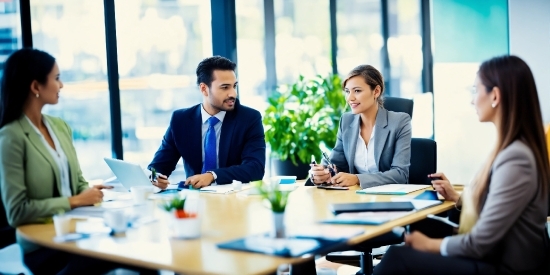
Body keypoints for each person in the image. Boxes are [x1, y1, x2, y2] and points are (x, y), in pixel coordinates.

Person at [374, 55, 550, 275]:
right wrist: (458, 198)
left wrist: (428, 245)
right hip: (495, 256)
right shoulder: (512, 149)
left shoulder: (516, 158)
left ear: (495, 95)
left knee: (399, 257)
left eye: (476, 90)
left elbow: (479, 243)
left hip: (503, 267)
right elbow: (497, 208)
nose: (472, 100)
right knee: (410, 241)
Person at [0, 49, 155, 274]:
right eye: (56, 78)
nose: (61, 85)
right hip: (45, 245)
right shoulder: (11, 137)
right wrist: (74, 200)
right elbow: (17, 211)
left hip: (80, 229)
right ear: (35, 87)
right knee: (132, 257)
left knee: (143, 255)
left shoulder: (60, 127)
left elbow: (78, 182)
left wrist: (89, 193)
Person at [148, 56, 266, 189]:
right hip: (195, 200)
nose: (233, 93)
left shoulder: (249, 118)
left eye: (234, 86)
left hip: (235, 199)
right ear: (204, 89)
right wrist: (155, 177)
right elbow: (158, 166)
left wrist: (212, 176)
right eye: (225, 87)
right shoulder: (181, 120)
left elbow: (255, 168)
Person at [309, 65, 411, 188]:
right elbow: (336, 164)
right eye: (347, 91)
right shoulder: (346, 121)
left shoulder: (400, 121)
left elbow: (400, 175)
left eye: (357, 91)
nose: (350, 98)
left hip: (390, 198)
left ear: (376, 91)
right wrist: (321, 174)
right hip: (355, 196)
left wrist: (357, 179)